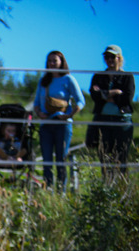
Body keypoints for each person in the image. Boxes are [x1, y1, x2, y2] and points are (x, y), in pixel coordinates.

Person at [33, 50, 85, 190]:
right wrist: (39, 113)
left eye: (55, 60)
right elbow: (36, 103)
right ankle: (48, 187)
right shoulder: (43, 81)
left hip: (62, 124)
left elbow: (81, 101)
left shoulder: (68, 79)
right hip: (46, 125)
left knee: (61, 159)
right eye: (49, 61)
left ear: (61, 62)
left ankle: (61, 189)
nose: (52, 63)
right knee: (47, 159)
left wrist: (69, 115)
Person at [86, 45, 135, 178]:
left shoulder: (127, 77)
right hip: (103, 120)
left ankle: (120, 186)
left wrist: (104, 94)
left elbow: (127, 98)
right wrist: (114, 92)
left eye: (112, 57)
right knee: (105, 156)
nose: (109, 60)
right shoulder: (98, 76)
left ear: (119, 58)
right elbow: (95, 96)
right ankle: (106, 186)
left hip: (122, 121)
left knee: (121, 156)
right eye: (106, 57)